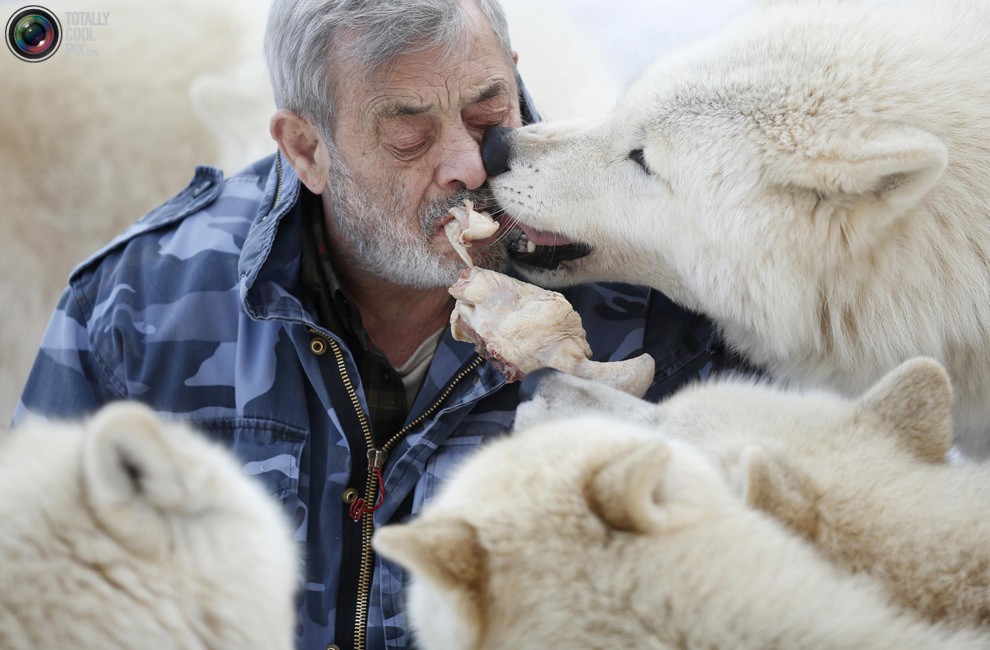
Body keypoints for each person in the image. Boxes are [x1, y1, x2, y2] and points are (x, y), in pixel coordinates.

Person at [15, 0, 745, 648]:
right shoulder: (139, 306)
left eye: (489, 112)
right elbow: (34, 594)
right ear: (306, 149)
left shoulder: (655, 286)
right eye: (408, 135)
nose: (468, 165)